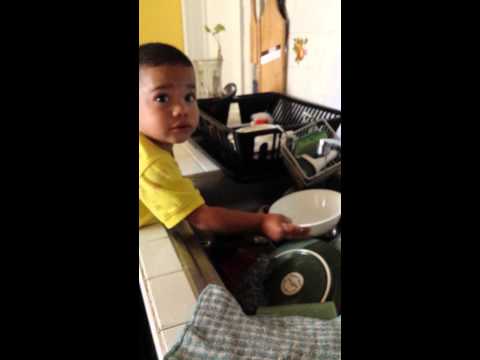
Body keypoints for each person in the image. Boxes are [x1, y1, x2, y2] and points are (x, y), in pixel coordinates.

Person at [139, 43, 308, 241]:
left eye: (189, 96)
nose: (181, 109)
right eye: (162, 98)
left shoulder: (151, 145)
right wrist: (261, 222)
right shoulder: (151, 162)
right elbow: (202, 218)